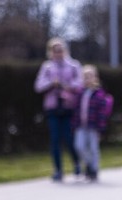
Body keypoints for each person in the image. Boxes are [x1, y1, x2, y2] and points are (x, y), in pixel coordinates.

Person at [34, 38, 83, 182]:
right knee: (55, 140)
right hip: (53, 108)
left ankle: (76, 163)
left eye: (60, 50)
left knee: (69, 138)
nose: (58, 53)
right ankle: (58, 170)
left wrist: (68, 86)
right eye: (55, 51)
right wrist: (51, 83)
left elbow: (80, 82)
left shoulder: (73, 65)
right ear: (51, 52)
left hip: (68, 107)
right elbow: (38, 86)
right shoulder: (47, 67)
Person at [73, 65, 113, 182]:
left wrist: (100, 128)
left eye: (89, 76)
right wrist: (74, 125)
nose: (87, 79)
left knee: (93, 149)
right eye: (85, 77)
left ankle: (94, 170)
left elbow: (101, 113)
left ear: (95, 78)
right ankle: (89, 165)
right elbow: (76, 110)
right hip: (81, 126)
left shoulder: (99, 94)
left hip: (93, 127)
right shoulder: (80, 93)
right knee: (79, 146)